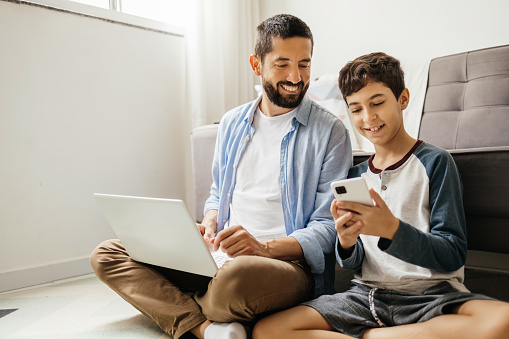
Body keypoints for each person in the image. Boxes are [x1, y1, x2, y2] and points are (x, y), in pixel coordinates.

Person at [90, 14, 352, 339]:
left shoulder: (331, 132)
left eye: (304, 64)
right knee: (107, 253)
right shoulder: (232, 123)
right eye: (282, 64)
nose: (296, 77)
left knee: (234, 281)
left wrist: (265, 248)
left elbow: (329, 227)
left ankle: (182, 306)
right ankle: (206, 328)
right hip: (220, 256)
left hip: (282, 266)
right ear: (257, 64)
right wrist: (210, 222)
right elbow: (217, 194)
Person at [252, 52, 509, 339]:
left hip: (429, 298)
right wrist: (347, 244)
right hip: (366, 298)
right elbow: (353, 262)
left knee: (502, 321)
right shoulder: (354, 174)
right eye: (356, 109)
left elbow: (452, 254)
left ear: (403, 99)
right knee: (267, 330)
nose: (368, 117)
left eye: (377, 103)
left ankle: (372, 336)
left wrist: (393, 230)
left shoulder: (436, 162)